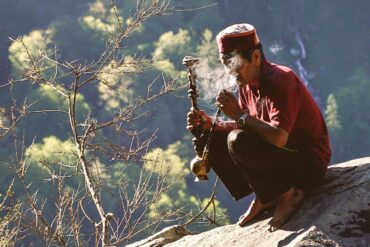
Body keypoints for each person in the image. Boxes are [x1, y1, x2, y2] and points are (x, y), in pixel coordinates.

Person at [186, 23, 331, 231]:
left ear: (255, 57)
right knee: (215, 136)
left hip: (308, 162)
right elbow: (246, 125)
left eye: (234, 63)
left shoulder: (281, 80)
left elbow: (279, 137)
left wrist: (239, 115)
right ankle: (268, 196)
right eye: (226, 63)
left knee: (237, 140)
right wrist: (212, 125)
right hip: (283, 157)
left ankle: (290, 193)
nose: (230, 71)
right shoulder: (246, 84)